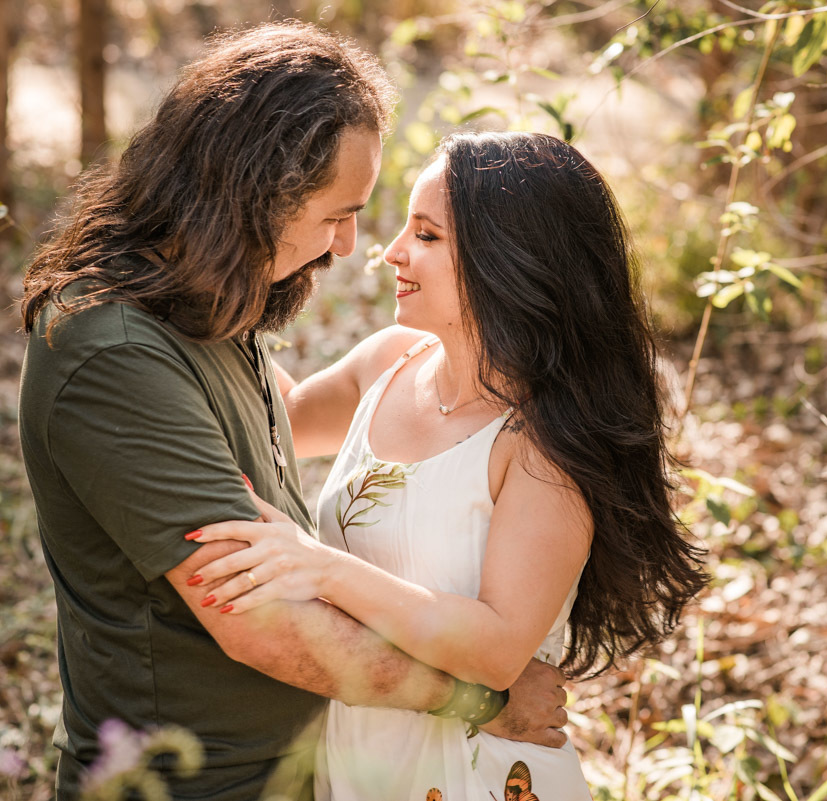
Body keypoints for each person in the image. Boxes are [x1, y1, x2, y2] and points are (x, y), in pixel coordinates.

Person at [17, 24, 568, 801]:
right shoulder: (114, 350)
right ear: (255, 190)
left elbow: (292, 423)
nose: (349, 246)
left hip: (311, 770)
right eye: (337, 214)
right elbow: (261, 622)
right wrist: (486, 701)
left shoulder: (209, 310)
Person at [187, 132, 711, 799]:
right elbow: (273, 417)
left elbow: (497, 648)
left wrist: (318, 565)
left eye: (427, 236)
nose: (392, 252)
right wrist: (190, 295)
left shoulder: (544, 443)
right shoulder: (388, 362)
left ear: (509, 259)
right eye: (406, 228)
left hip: (475, 771)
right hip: (357, 753)